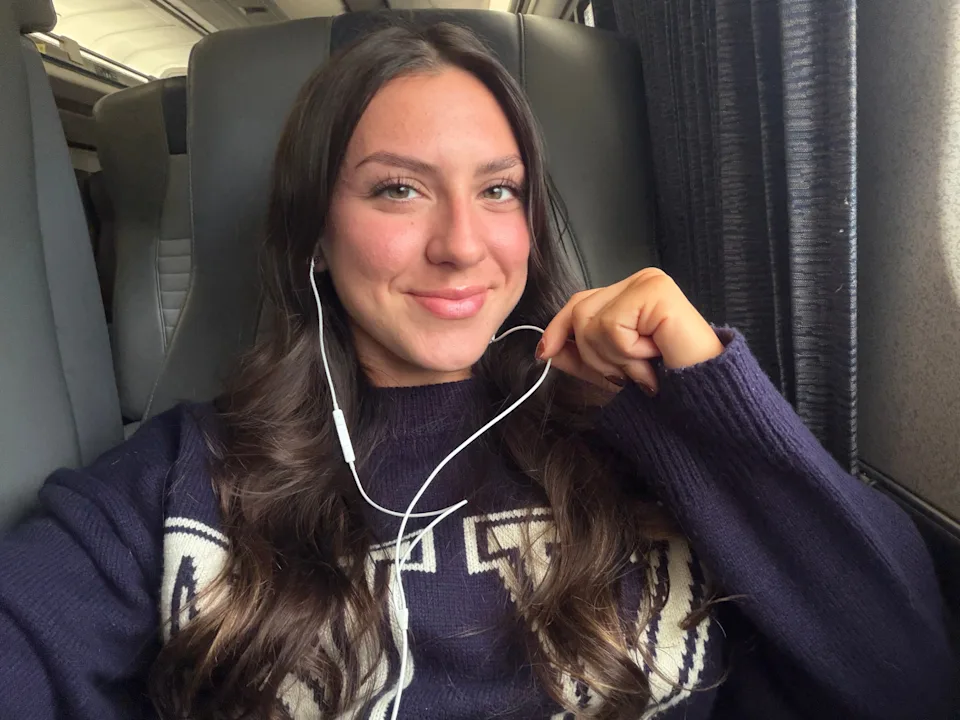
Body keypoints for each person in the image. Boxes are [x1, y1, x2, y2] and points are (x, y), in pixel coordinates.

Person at [0, 21, 952, 720]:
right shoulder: (181, 482)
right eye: (399, 189)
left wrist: (705, 401)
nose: (463, 245)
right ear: (316, 236)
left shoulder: (648, 434)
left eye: (499, 190)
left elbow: (907, 676)